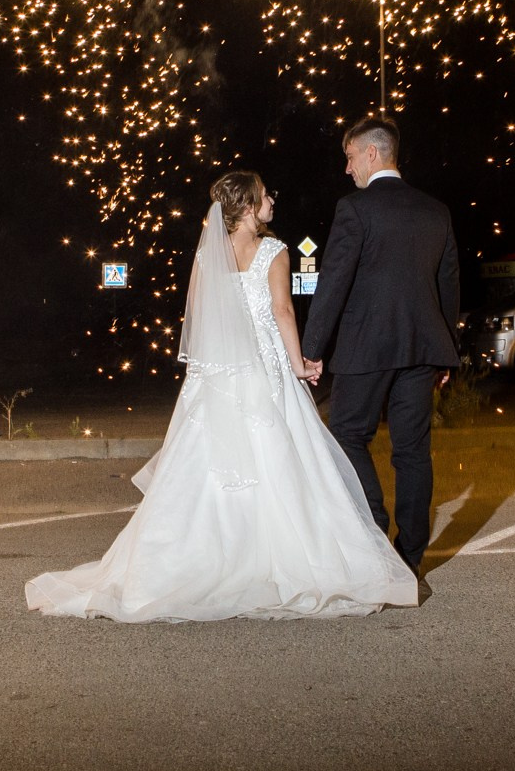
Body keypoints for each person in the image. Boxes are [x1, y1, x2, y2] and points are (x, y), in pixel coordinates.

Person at [25, 171, 420, 621]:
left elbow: (196, 312)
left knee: (204, 465)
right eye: (266, 194)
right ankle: (284, 560)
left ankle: (188, 561)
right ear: (250, 207)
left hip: (217, 374)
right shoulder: (274, 250)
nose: (273, 199)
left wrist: (208, 366)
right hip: (266, 369)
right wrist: (298, 363)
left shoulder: (208, 254)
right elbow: (282, 310)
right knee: (283, 460)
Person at [299, 117, 462, 577]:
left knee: (348, 434)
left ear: (372, 153)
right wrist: (445, 348)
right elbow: (448, 284)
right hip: (423, 348)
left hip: (365, 347)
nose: (347, 169)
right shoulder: (436, 211)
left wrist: (312, 347)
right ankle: (410, 557)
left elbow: (333, 282)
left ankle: (373, 525)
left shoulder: (355, 209)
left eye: (350, 158)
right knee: (412, 450)